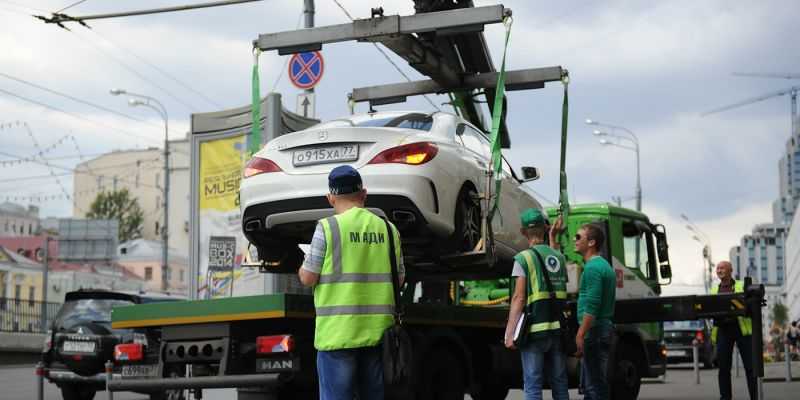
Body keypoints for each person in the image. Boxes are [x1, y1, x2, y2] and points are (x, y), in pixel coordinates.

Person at [298, 165, 404, 400]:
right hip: (378, 335)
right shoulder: (389, 230)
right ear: (364, 194)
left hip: (338, 335)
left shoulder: (327, 228)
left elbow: (307, 278)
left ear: (330, 198)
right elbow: (400, 279)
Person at [504, 209, 569, 400]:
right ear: (545, 228)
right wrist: (554, 237)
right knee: (560, 384)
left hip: (534, 332)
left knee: (533, 385)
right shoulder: (559, 258)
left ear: (523, 232)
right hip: (557, 330)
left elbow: (519, 298)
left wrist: (510, 332)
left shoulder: (523, 258)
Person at [574, 222, 616, 400]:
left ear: (591, 242)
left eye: (578, 237)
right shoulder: (604, 266)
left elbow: (593, 304)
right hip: (601, 329)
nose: (574, 241)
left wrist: (581, 334)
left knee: (593, 387)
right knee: (596, 384)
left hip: (594, 332)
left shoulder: (592, 268)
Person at [711, 261, 755, 400]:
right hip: (723, 330)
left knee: (750, 367)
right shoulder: (714, 289)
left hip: (741, 329)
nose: (719, 270)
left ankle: (755, 397)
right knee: (723, 369)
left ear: (730, 270)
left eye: (722, 267)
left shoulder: (741, 285)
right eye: (717, 268)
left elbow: (752, 302)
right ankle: (725, 398)